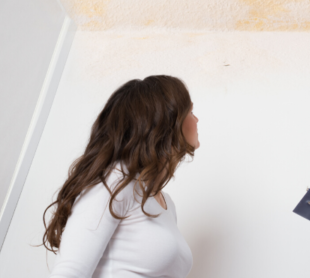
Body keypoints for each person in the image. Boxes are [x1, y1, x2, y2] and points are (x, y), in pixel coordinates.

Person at [42, 75, 199, 278]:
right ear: (167, 122)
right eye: (190, 112)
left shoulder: (165, 203)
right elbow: (68, 273)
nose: (196, 120)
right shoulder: (115, 182)